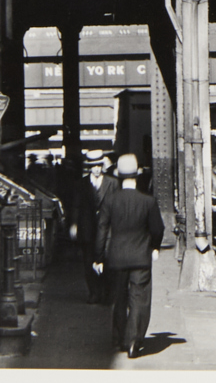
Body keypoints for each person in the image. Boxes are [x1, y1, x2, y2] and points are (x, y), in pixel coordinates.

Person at [94, 153, 165, 358]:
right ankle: (134, 341)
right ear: (138, 175)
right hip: (141, 258)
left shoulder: (110, 200)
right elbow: (158, 229)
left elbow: (101, 230)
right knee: (139, 299)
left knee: (119, 298)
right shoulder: (148, 201)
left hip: (115, 258)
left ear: (118, 175)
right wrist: (154, 247)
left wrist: (98, 258)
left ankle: (119, 338)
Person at [71, 154, 114, 304]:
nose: (96, 169)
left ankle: (106, 293)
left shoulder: (112, 183)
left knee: (107, 262)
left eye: (98, 166)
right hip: (87, 228)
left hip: (107, 229)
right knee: (89, 262)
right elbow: (76, 206)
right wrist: (74, 225)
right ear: (89, 167)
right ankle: (94, 293)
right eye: (93, 166)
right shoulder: (81, 184)